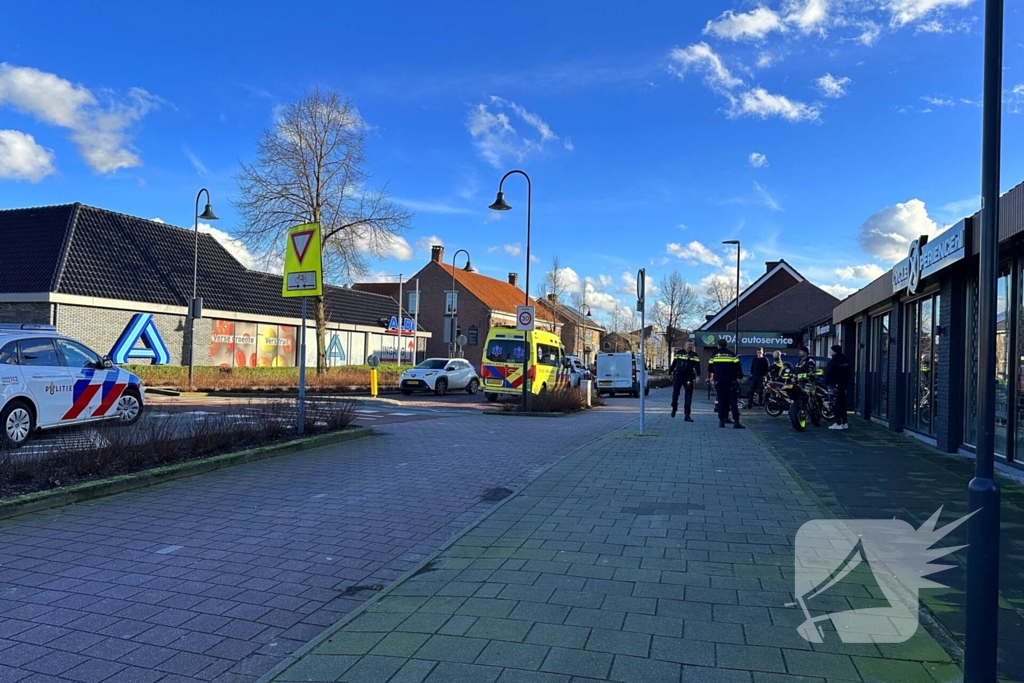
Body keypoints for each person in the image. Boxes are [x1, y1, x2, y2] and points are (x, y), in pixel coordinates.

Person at [708, 338, 744, 429]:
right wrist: (738, 376)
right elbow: (738, 368)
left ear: (718, 345)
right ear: (726, 345)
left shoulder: (714, 355)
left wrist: (718, 371)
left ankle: (721, 420)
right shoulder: (732, 354)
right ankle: (736, 421)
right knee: (733, 401)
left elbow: (709, 369)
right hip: (731, 381)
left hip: (719, 381)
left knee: (721, 400)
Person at [670, 340, 701, 421]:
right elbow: (674, 363)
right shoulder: (679, 353)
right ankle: (674, 407)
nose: (690, 346)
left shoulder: (694, 355)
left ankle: (687, 414)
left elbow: (698, 366)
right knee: (675, 393)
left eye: (691, 345)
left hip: (689, 378)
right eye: (689, 344)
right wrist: (669, 373)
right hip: (679, 377)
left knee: (688, 397)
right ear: (685, 345)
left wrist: (699, 376)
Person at [824, 344, 851, 430]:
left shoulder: (833, 361)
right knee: (842, 404)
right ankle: (844, 422)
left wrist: (825, 383)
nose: (830, 352)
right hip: (843, 385)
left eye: (831, 350)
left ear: (834, 351)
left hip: (834, 385)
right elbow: (849, 372)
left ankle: (838, 422)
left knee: (835, 404)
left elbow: (828, 373)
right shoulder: (845, 360)